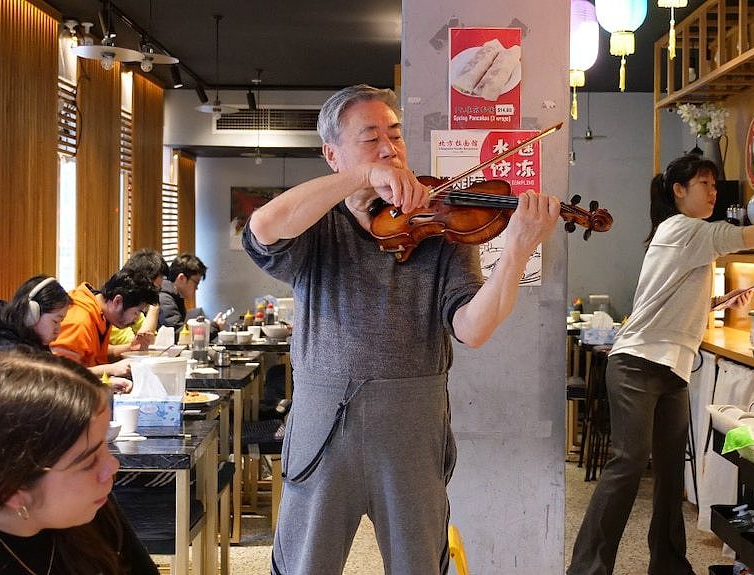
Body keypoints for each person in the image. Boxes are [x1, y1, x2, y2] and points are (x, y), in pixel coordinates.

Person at [242, 84, 560, 574]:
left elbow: (471, 328)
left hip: (413, 420)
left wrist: (516, 251)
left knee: (418, 564)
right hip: (325, 421)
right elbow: (263, 226)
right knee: (307, 564)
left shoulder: (440, 223)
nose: (390, 148)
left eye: (395, 135)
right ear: (333, 154)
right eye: (370, 138)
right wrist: (362, 176)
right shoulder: (317, 223)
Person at [566, 154, 754, 575]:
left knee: (671, 471)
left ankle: (669, 565)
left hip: (670, 369)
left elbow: (670, 303)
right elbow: (743, 235)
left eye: (715, 185)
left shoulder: (688, 237)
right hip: (637, 364)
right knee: (629, 463)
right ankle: (587, 568)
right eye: (705, 184)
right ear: (679, 190)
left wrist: (716, 304)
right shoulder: (683, 228)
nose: (713, 192)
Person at [0, 347, 159, 575]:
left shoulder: (92, 511)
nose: (113, 466)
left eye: (105, 445)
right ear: (10, 490)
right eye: (89, 460)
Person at [50, 270, 159, 379]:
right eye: (136, 312)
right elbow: (60, 373)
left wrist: (130, 348)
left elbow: (92, 353)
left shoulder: (101, 311)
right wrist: (111, 369)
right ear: (117, 301)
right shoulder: (79, 321)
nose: (136, 319)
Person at [0, 275, 71, 354]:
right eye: (55, 321)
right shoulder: (1, 350)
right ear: (32, 313)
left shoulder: (32, 339)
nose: (58, 330)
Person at [109, 249, 169, 354]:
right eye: (155, 288)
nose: (155, 294)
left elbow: (148, 339)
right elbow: (137, 346)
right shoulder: (117, 307)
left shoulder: (135, 307)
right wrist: (154, 305)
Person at [158, 253, 224, 342]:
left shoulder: (173, 296)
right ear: (181, 278)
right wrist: (214, 327)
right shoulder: (165, 299)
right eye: (196, 283)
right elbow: (179, 335)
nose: (196, 288)